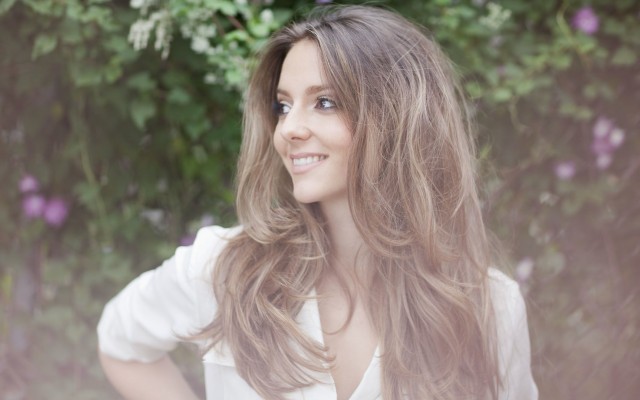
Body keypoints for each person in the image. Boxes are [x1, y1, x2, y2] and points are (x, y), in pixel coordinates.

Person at [97, 5, 538, 400]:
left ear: (398, 120)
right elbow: (120, 343)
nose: (288, 129)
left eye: (324, 102)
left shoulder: (490, 307)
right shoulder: (222, 269)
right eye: (283, 106)